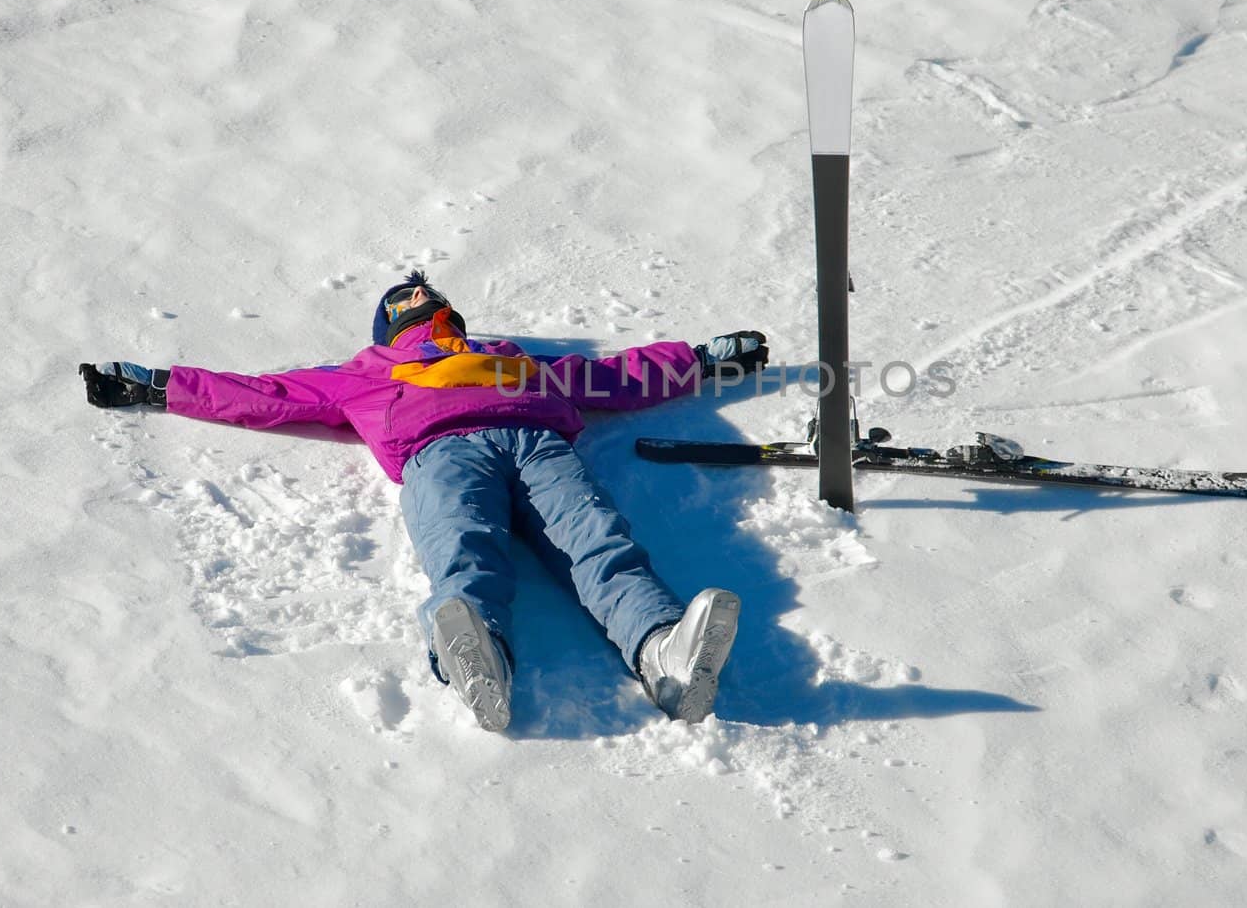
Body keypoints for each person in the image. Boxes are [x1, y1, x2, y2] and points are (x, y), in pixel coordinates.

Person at [80, 271, 769, 732]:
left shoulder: (507, 354)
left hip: (527, 446)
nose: (426, 319)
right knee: (491, 551)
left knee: (585, 544)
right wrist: (159, 385)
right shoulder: (366, 372)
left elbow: (612, 375)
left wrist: (704, 359)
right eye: (416, 311)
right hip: (447, 453)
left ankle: (664, 653)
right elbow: (268, 395)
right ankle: (482, 658)